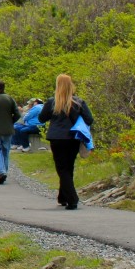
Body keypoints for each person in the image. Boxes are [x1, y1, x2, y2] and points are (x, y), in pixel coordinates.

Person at [39, 74, 94, 210]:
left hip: (56, 138)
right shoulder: (78, 102)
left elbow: (41, 118)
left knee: (62, 168)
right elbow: (89, 119)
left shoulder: (52, 102)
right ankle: (62, 197)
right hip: (72, 137)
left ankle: (72, 199)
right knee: (68, 167)